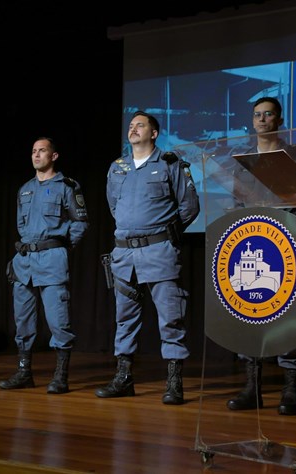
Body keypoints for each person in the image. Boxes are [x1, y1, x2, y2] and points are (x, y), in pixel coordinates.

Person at [96, 110, 200, 405]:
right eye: (130, 125)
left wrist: (164, 233)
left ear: (153, 133)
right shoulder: (117, 167)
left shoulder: (170, 164)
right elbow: (114, 206)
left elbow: (190, 207)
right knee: (124, 318)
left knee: (170, 318)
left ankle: (174, 382)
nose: (133, 128)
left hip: (159, 252)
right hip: (124, 254)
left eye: (140, 125)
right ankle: (124, 378)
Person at [226, 97, 296, 416]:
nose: (261, 119)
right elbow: (236, 202)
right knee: (251, 315)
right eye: (257, 115)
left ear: (279, 119)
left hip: (286, 243)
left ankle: (291, 389)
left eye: (268, 114)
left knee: (289, 318)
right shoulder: (242, 159)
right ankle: (253, 386)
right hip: (251, 240)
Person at [0, 137, 89, 394]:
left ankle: (61, 376)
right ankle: (24, 372)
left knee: (58, 320)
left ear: (54, 156)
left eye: (42, 151)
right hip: (24, 262)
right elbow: (21, 227)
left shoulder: (67, 186)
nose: (37, 155)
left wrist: (58, 247)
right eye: (33, 151)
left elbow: (80, 224)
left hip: (51, 260)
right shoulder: (24, 189)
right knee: (23, 321)